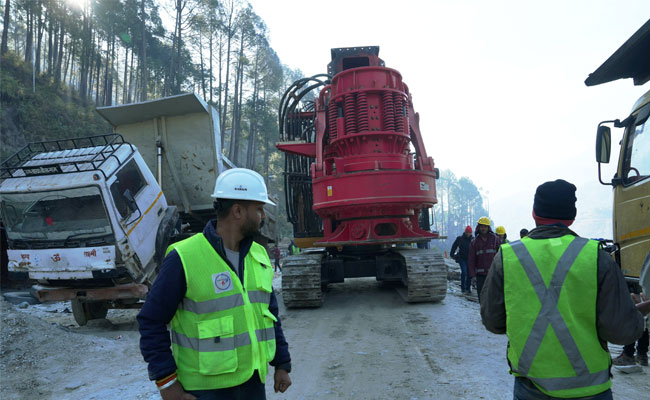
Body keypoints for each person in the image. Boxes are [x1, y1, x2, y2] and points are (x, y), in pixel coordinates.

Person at [481, 179, 649, 400]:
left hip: (530, 386)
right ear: (572, 216)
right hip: (591, 389)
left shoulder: (507, 257)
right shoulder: (597, 258)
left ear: (534, 213)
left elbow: (494, 321)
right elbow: (621, 332)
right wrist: (635, 312)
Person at [137, 168, 292, 400]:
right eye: (259, 209)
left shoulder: (259, 255)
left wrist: (282, 363)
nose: (263, 216)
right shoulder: (184, 257)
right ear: (238, 211)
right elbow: (151, 320)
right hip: (205, 391)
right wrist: (167, 384)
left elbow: (269, 315)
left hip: (252, 384)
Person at [468, 216, 501, 302]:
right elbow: (471, 260)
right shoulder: (474, 242)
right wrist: (473, 276)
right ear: (478, 227)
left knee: (494, 297)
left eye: (485, 226)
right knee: (482, 298)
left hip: (493, 274)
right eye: (481, 226)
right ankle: (484, 314)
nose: (483, 228)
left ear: (488, 227)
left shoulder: (495, 240)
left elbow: (501, 256)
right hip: (480, 276)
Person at [450, 226, 474, 295]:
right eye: (467, 232)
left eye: (469, 232)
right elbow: (454, 246)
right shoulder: (460, 239)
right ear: (465, 232)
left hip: (470, 260)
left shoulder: (473, 240)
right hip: (462, 259)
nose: (468, 234)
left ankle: (468, 288)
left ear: (471, 233)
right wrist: (452, 254)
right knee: (464, 272)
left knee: (469, 274)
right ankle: (463, 288)